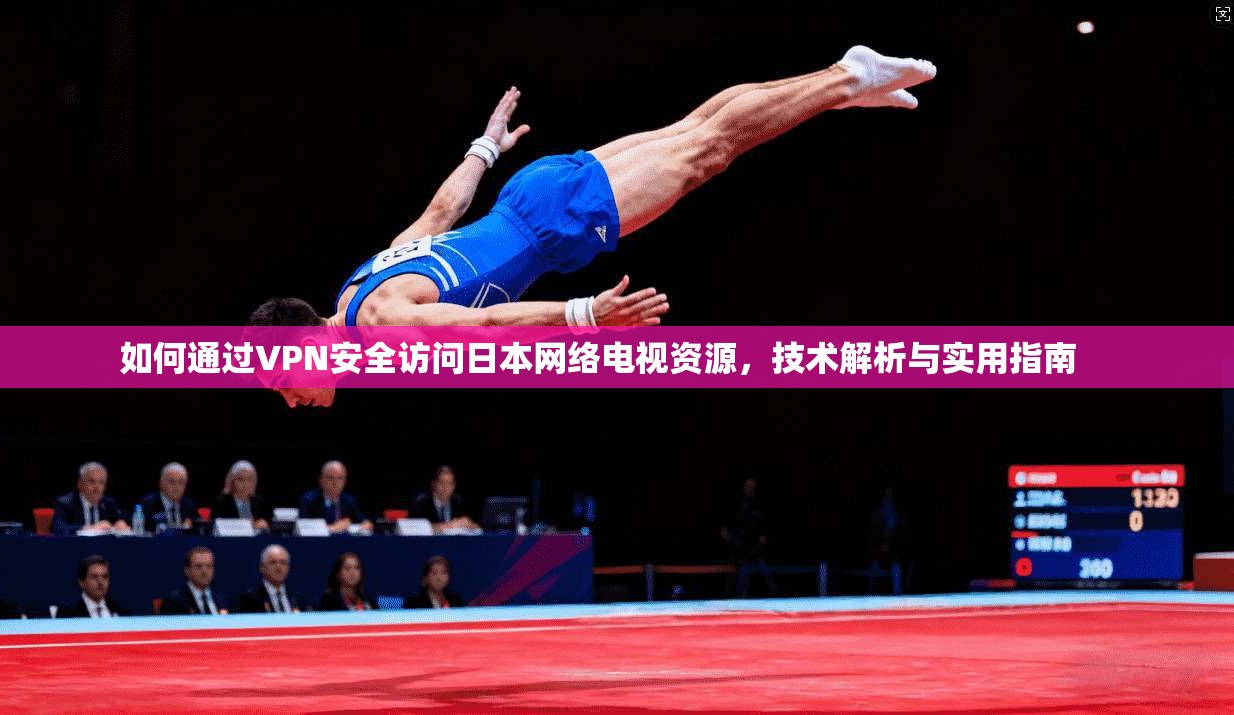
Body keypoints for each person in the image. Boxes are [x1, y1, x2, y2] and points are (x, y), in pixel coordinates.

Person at [246, 45, 937, 409]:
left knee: (708, 149)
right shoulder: (357, 288)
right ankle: (835, 88)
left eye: (284, 385)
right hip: (528, 194)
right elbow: (438, 215)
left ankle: (845, 77)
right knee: (696, 132)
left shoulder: (382, 325)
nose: (293, 400)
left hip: (557, 224)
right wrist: (484, 149)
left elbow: (487, 325)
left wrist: (585, 316)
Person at [721, 477, 777, 598]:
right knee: (738, 577)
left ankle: (775, 597)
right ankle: (735, 597)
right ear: (743, 487)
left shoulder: (760, 505)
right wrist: (732, 539)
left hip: (756, 549)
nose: (750, 489)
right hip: (739, 549)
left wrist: (760, 543)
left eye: (753, 487)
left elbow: (764, 528)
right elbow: (725, 528)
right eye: (748, 486)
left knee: (766, 574)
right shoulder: (735, 505)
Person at [51, 461, 130, 535]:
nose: (97, 487)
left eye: (101, 482)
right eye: (92, 481)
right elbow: (58, 528)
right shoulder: (65, 503)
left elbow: (122, 521)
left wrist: (121, 524)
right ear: (80, 483)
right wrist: (89, 528)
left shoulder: (108, 503)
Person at [297, 461, 373, 534]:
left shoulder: (348, 500)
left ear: (345, 481)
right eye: (330, 478)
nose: (335, 482)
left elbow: (366, 523)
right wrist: (333, 528)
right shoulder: (309, 500)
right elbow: (304, 530)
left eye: (340, 478)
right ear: (321, 480)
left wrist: (364, 526)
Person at [234, 545, 308, 614]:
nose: (278, 567)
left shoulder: (298, 598)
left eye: (283, 562)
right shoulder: (249, 600)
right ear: (262, 567)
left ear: (288, 567)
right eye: (273, 562)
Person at [160, 546, 225, 616]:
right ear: (187, 571)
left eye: (209, 566)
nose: (204, 571)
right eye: (198, 566)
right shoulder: (174, 601)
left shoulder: (223, 599)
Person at [410, 465, 476, 533]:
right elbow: (412, 528)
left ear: (454, 486)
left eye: (449, 483)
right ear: (433, 484)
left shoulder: (459, 502)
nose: (445, 487)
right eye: (441, 482)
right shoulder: (421, 503)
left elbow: (477, 527)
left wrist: (468, 524)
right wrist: (445, 526)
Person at [57, 555, 127, 618]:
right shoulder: (68, 613)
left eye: (105, 577)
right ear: (81, 582)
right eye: (94, 577)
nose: (100, 582)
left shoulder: (121, 611)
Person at [211, 460, 270, 531]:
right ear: (232, 481)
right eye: (240, 479)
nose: (245, 484)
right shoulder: (222, 502)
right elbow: (218, 526)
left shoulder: (258, 502)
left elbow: (267, 523)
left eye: (249, 479)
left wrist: (264, 524)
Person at [136, 462, 196, 530]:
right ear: (161, 483)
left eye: (181, 482)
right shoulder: (148, 503)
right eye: (171, 481)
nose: (176, 487)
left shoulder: (188, 505)